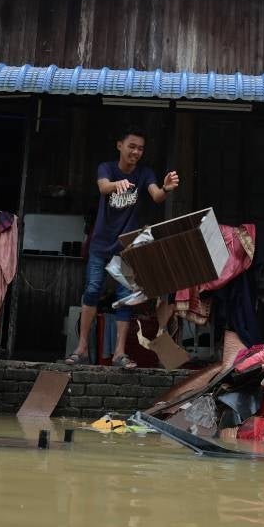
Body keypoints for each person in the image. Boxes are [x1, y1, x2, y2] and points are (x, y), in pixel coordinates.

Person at [64, 127, 180, 369]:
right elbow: (103, 187)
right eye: (132, 146)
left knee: (125, 298)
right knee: (93, 289)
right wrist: (117, 183)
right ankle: (81, 348)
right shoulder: (106, 168)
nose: (136, 152)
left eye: (140, 148)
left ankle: (119, 354)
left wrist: (166, 188)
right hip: (100, 243)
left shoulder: (145, 173)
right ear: (120, 145)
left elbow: (156, 195)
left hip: (127, 247)